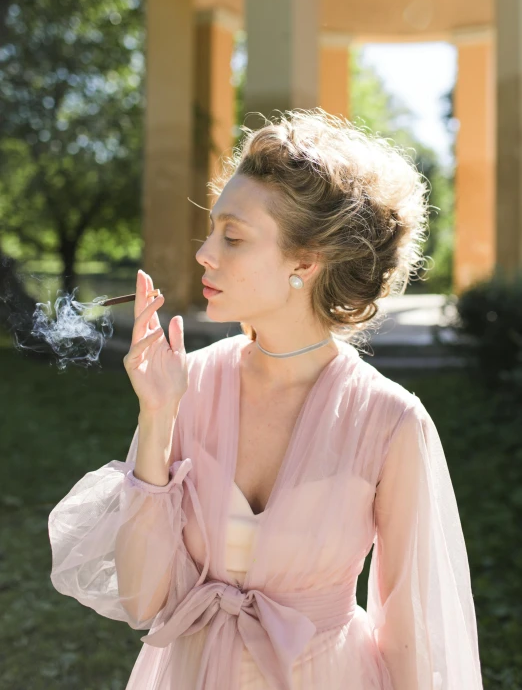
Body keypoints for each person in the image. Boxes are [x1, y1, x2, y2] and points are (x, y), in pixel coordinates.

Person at [48, 109, 484, 690]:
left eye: (232, 237)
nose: (205, 253)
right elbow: (141, 596)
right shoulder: (187, 383)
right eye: (211, 232)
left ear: (305, 263)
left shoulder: (390, 421)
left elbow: (409, 635)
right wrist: (156, 417)